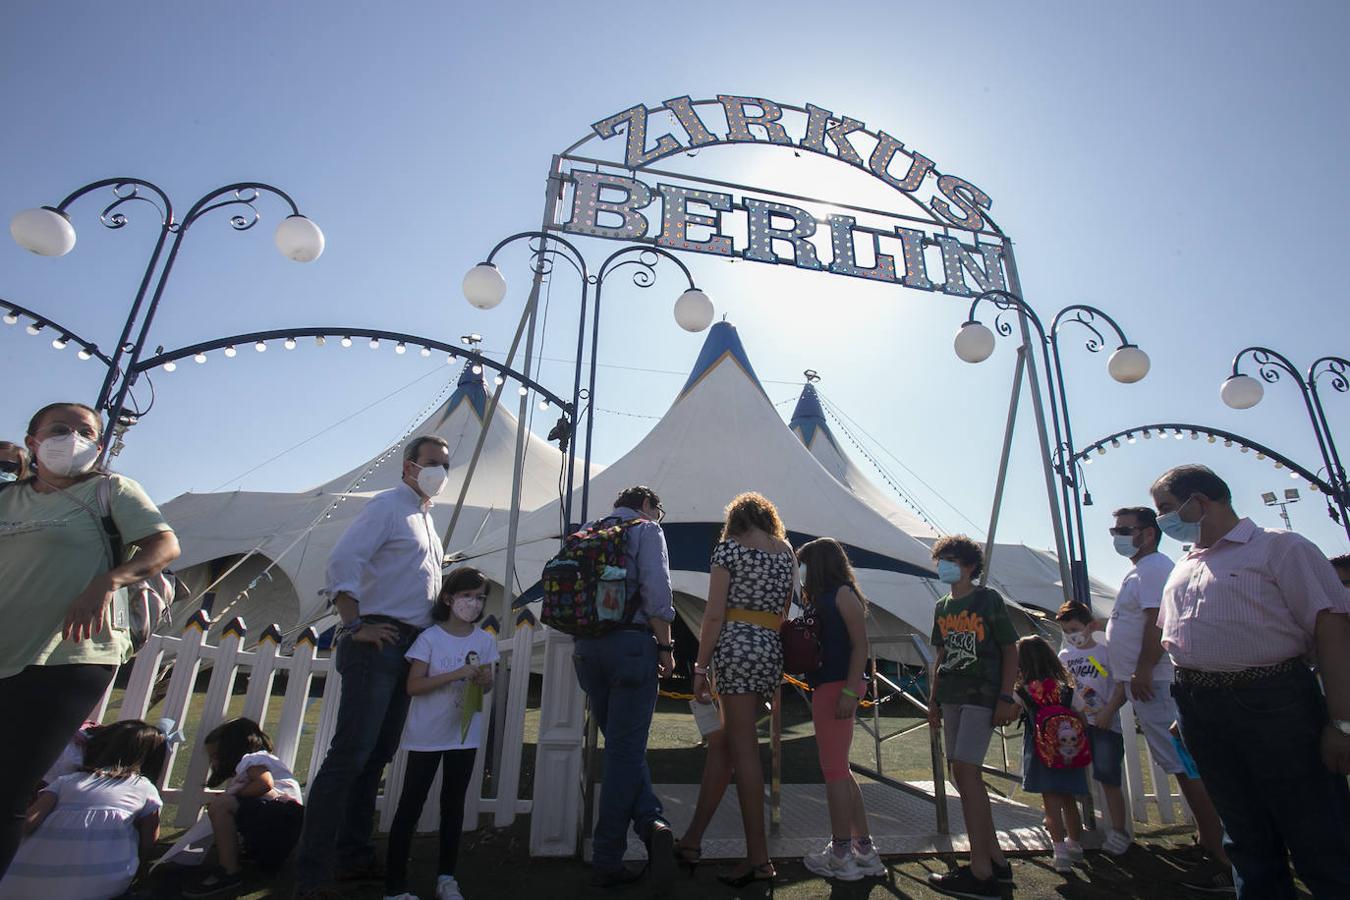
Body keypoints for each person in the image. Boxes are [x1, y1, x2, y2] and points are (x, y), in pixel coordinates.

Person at [1152, 464, 1350, 899]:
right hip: (1199, 709)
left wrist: (1342, 722)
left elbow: (1332, 630)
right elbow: (1179, 641)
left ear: (1199, 502)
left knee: (1317, 835)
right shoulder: (1184, 565)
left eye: (1165, 508)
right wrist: (1184, 713)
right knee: (1245, 839)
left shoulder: (1281, 548)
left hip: (1273, 703)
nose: (1161, 520)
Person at [0, 402, 180, 878]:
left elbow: (164, 545)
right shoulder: (9, 499)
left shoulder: (110, 490)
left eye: (86, 431)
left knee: (9, 788)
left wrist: (110, 580)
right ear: (33, 442)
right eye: (60, 429)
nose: (74, 437)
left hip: (68, 653)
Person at [294, 434, 451, 899]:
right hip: (378, 640)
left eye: (445, 464)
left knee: (375, 756)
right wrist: (354, 623)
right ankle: (312, 873)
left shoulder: (426, 520)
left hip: (407, 645)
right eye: (431, 463)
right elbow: (345, 558)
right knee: (350, 756)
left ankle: (352, 855)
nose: (439, 471)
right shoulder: (388, 506)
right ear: (409, 467)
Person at [1103, 505, 1230, 889]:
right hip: (1145, 684)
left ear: (1148, 532)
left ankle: (1223, 860)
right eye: (1115, 529)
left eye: (1125, 529)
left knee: (1187, 769)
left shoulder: (1155, 568)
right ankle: (1210, 843)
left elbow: (1159, 620)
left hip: (1156, 683)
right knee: (1181, 768)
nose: (1118, 536)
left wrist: (1142, 669)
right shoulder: (1140, 571)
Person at [683, 492, 794, 889]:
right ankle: (692, 841)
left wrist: (699, 667)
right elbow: (783, 612)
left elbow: (714, 613)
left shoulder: (727, 550)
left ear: (735, 520)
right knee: (727, 746)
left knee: (743, 750)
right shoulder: (786, 553)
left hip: (735, 648)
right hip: (769, 649)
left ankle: (759, 860)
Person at [571, 485, 677, 890]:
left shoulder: (588, 530)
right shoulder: (646, 530)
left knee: (619, 746)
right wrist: (666, 647)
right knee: (624, 752)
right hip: (631, 646)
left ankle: (651, 822)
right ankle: (609, 856)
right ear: (647, 504)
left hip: (587, 648)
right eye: (658, 508)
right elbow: (656, 590)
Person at [384, 567, 498, 900]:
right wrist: (455, 674)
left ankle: (447, 878)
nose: (473, 604)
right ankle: (395, 886)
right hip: (427, 735)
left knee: (454, 805)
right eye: (467, 596)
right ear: (449, 598)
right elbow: (414, 685)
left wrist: (483, 682)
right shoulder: (430, 638)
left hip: (464, 735)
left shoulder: (484, 640)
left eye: (479, 598)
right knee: (410, 806)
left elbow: (487, 683)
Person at [924, 534, 1017, 900]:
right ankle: (995, 859)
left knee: (966, 771)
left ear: (969, 566)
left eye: (950, 560)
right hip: (951, 696)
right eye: (940, 560)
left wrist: (1007, 696)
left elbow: (1011, 649)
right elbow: (941, 656)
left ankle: (980, 871)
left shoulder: (987, 599)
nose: (943, 566)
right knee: (960, 773)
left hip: (982, 694)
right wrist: (932, 700)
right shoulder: (942, 607)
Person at [795, 538, 885, 882]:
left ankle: (840, 852)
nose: (799, 570)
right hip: (831, 685)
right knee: (840, 770)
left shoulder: (842, 594)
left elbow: (861, 644)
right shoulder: (820, 599)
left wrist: (850, 690)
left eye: (803, 563)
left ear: (818, 564)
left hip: (837, 686)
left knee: (832, 771)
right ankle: (863, 848)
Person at [0, 720, 166, 900]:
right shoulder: (143, 788)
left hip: (20, 881)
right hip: (97, 886)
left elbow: (28, 823)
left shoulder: (66, 782)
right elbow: (149, 842)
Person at [183, 718, 304, 898]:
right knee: (224, 805)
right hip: (283, 827)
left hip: (284, 817)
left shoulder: (253, 760)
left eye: (215, 756)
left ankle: (229, 871)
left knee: (223, 805)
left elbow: (265, 785)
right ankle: (246, 857)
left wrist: (232, 798)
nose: (213, 763)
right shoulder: (254, 765)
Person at [1053, 602, 1129, 856]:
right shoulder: (1065, 657)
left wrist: (1108, 712)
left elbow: (1121, 686)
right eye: (1066, 631)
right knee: (1069, 776)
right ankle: (1069, 827)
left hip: (1104, 724)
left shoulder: (1106, 652)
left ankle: (1118, 830)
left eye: (1074, 628)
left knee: (1108, 776)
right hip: (1074, 726)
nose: (1071, 635)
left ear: (1091, 626)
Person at [1013, 635, 1090, 874]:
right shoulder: (1066, 689)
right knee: (1069, 800)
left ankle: (1059, 851)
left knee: (1051, 803)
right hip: (1068, 752)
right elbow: (1083, 717)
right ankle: (1075, 845)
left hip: (1042, 752)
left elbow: (1013, 712)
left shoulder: (1025, 691)